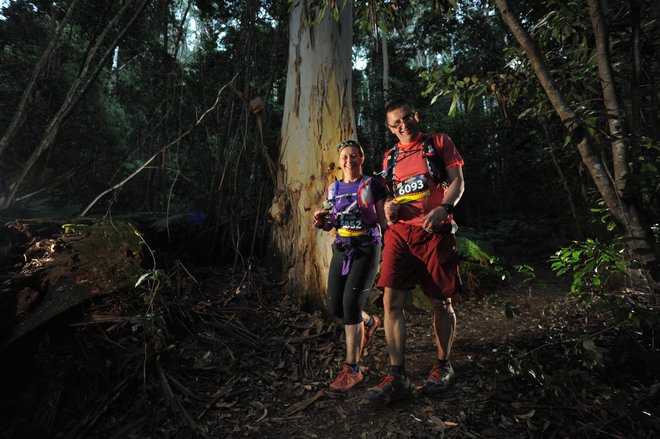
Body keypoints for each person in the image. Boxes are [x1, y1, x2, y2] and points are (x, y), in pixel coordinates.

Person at [366, 98, 465, 404]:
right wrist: (390, 207)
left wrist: (445, 208)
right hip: (401, 235)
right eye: (396, 123)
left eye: (407, 119)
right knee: (391, 301)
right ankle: (398, 376)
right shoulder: (389, 157)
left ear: (416, 116)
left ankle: (443, 365)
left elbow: (457, 181)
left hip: (434, 232)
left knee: (440, 300)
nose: (403, 125)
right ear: (390, 128)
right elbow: (390, 200)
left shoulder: (438, 142)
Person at [313, 140, 388, 393]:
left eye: (354, 156)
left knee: (351, 306)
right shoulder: (332, 189)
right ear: (340, 160)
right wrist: (321, 222)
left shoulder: (372, 185)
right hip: (342, 248)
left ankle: (352, 369)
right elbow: (330, 223)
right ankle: (369, 323)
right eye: (345, 156)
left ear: (362, 158)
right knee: (336, 307)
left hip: (366, 248)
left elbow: (383, 219)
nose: (349, 160)